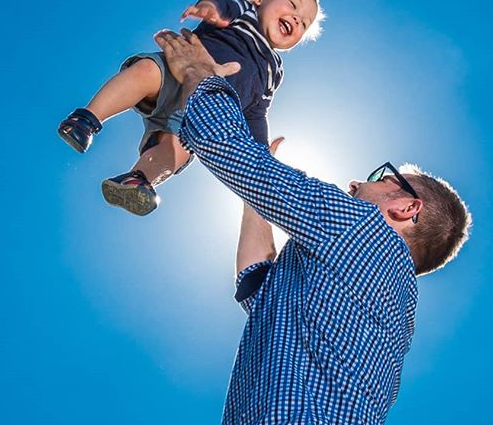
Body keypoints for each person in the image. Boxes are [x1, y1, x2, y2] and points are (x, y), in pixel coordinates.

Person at [153, 28, 472, 425]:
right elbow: (258, 285)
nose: (357, 183)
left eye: (383, 177)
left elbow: (222, 143)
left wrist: (199, 72)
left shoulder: (363, 231)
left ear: (407, 206)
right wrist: (258, 197)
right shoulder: (394, 309)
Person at [57, 0, 324, 216]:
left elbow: (256, 111)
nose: (297, 19)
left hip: (198, 113)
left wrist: (260, 151)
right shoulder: (244, 14)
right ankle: (87, 118)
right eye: (292, 5)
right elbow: (222, 3)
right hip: (173, 75)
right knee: (145, 72)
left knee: (178, 148)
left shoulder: (273, 69)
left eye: (304, 23)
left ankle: (139, 179)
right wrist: (211, 9)